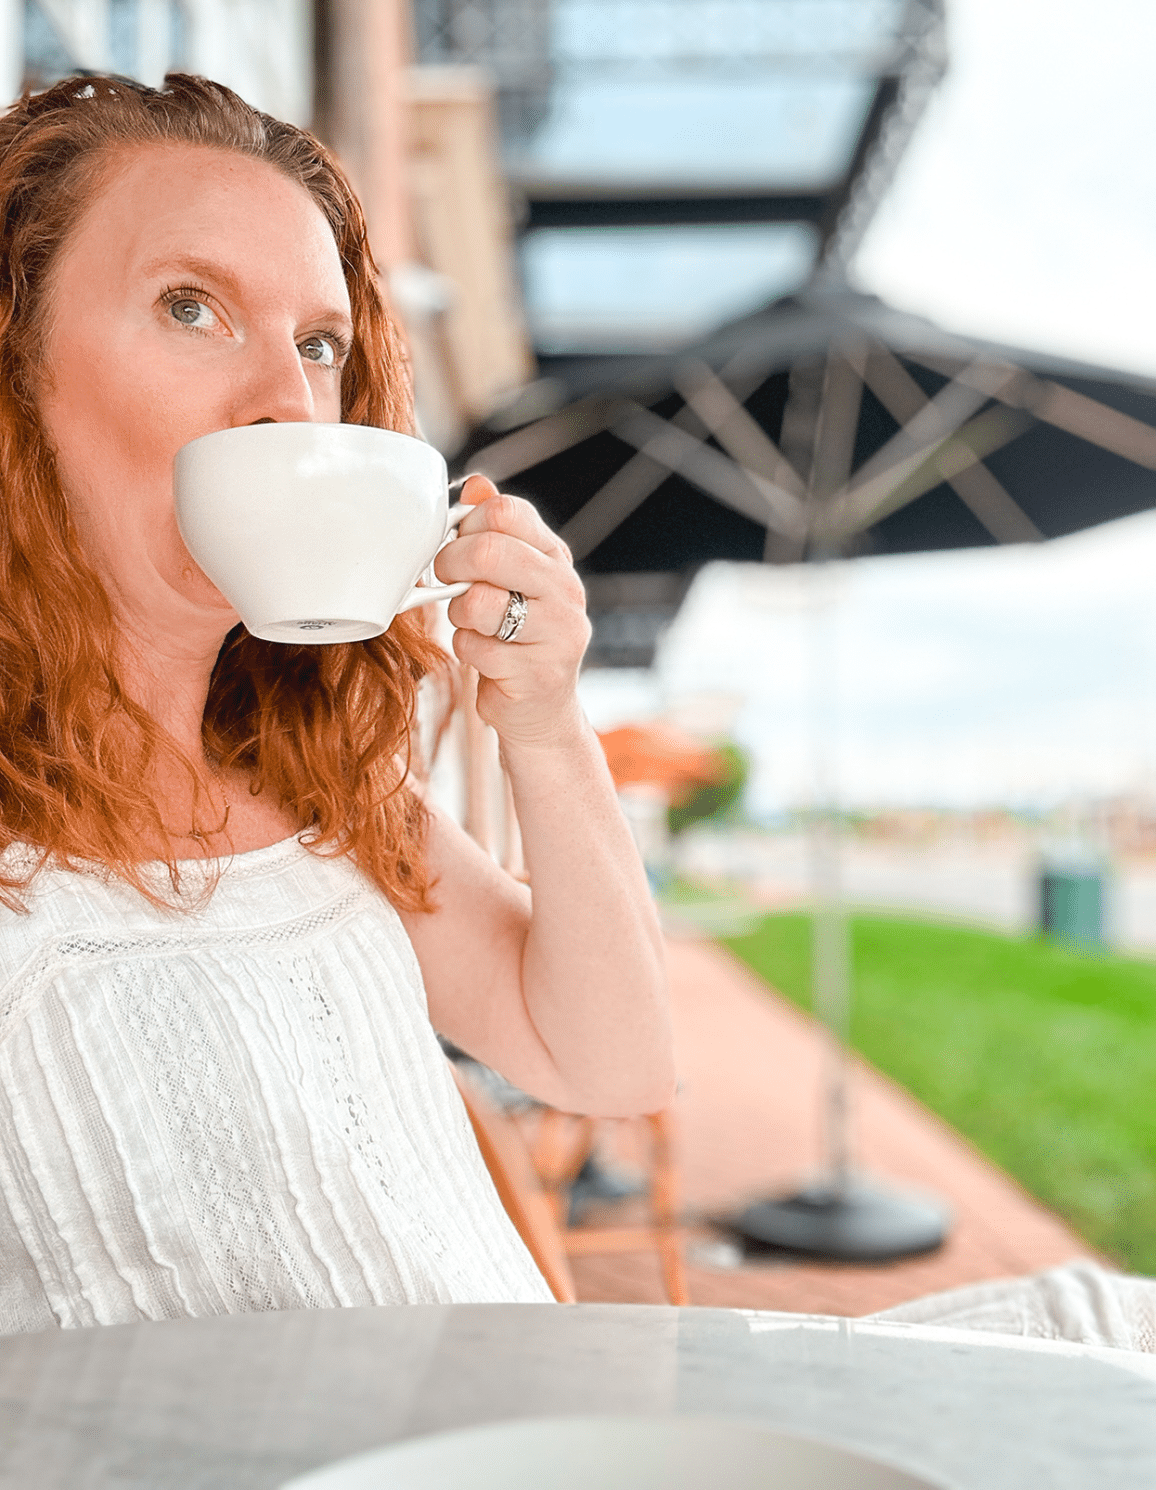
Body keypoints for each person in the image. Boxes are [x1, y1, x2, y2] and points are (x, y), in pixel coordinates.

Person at [0, 72, 673, 1334]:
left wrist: (542, 722)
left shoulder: (316, 783)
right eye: (190, 306)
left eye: (318, 342)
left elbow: (610, 1057)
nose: (290, 401)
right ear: (17, 367)